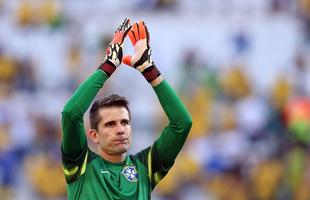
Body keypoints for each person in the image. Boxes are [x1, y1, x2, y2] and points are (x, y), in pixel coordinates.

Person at [61, 18, 192, 200]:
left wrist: (149, 70)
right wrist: (107, 67)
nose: (120, 129)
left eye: (124, 122)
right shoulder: (80, 165)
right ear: (94, 135)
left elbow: (182, 124)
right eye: (110, 124)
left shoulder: (145, 167)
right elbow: (71, 113)